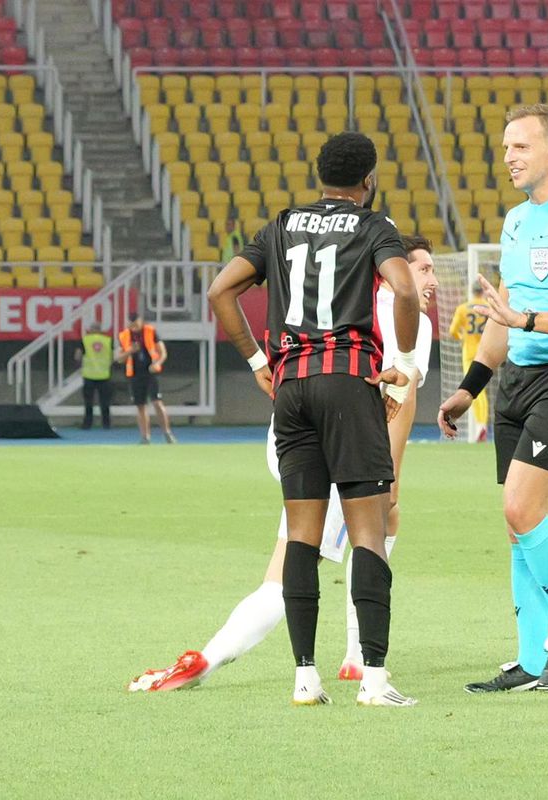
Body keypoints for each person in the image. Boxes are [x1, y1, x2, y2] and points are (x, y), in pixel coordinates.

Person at [128, 235, 438, 693]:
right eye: (424, 269)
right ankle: (205, 662)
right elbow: (402, 402)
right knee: (298, 567)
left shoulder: (340, 298)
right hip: (345, 449)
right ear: (394, 269)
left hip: (294, 431)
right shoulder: (409, 322)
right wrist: (390, 475)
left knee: (382, 525)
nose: (432, 279)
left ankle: (354, 657)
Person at [207, 131, 421, 708]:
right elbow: (404, 288)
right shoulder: (374, 226)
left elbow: (221, 289)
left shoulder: (279, 226)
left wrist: (257, 360)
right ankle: (374, 681)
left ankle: (305, 678)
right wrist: (400, 362)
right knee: (370, 532)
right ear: (369, 180)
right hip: (349, 383)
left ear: (319, 175)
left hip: (292, 389)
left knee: (300, 537)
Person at [438, 104, 548, 693]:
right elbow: (502, 312)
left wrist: (529, 318)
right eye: (506, 147)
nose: (509, 157)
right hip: (517, 377)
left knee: (522, 508)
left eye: (520, 147)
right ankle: (531, 660)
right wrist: (470, 387)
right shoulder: (515, 221)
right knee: (517, 524)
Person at [116, 312, 175, 444]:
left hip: (150, 372)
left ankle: (167, 433)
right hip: (135, 374)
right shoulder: (124, 336)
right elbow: (119, 358)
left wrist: (157, 363)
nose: (134, 327)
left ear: (141, 321)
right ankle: (145, 437)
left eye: (136, 324)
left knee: (157, 402)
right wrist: (130, 351)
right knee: (140, 406)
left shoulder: (150, 332)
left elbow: (162, 352)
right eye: (131, 324)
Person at [448, 280, 490, 440]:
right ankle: (482, 424)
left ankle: (480, 425)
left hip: (470, 352)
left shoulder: (462, 309)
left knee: (471, 390)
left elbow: (452, 331)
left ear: (472, 292)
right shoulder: (490, 307)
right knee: (482, 391)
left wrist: (463, 337)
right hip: (486, 351)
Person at [75, 319, 113, 429]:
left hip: (89, 375)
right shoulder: (108, 340)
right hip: (104, 375)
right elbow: (112, 357)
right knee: (105, 402)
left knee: (88, 402)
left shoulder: (85, 340)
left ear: (91, 330)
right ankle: (106, 424)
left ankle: (87, 424)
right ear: (100, 330)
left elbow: (77, 355)